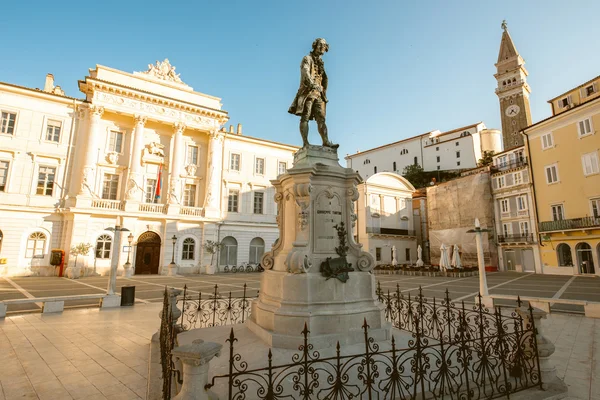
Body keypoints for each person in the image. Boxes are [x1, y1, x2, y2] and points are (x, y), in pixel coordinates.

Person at [288, 38, 338, 149]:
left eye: (324, 46)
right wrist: (312, 83)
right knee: (305, 117)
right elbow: (305, 71)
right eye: (320, 45)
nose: (322, 47)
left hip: (319, 94)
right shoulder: (307, 58)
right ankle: (305, 143)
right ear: (315, 46)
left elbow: (324, 78)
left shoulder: (321, 62)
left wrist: (323, 90)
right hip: (308, 92)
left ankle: (326, 141)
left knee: (321, 118)